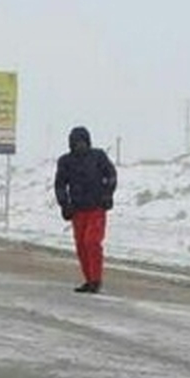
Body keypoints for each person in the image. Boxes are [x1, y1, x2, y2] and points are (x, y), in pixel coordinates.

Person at [54, 125, 117, 293]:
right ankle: (89, 280)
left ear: (88, 142)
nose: (80, 146)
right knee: (81, 245)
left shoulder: (98, 156)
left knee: (92, 242)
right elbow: (60, 185)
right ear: (71, 144)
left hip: (96, 208)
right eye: (76, 143)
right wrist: (64, 204)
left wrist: (108, 194)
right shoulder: (65, 161)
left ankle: (96, 280)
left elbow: (111, 175)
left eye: (83, 142)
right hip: (77, 210)